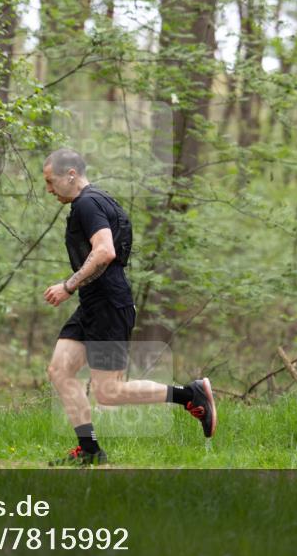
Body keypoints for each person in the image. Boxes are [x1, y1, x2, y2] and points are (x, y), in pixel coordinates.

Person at [42, 148, 216, 466]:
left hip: (109, 303)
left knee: (109, 392)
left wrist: (68, 286)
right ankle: (90, 449)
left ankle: (189, 395)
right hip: (94, 302)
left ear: (70, 175)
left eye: (51, 181)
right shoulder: (96, 200)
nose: (49, 189)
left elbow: (105, 251)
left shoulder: (87, 203)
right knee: (59, 370)